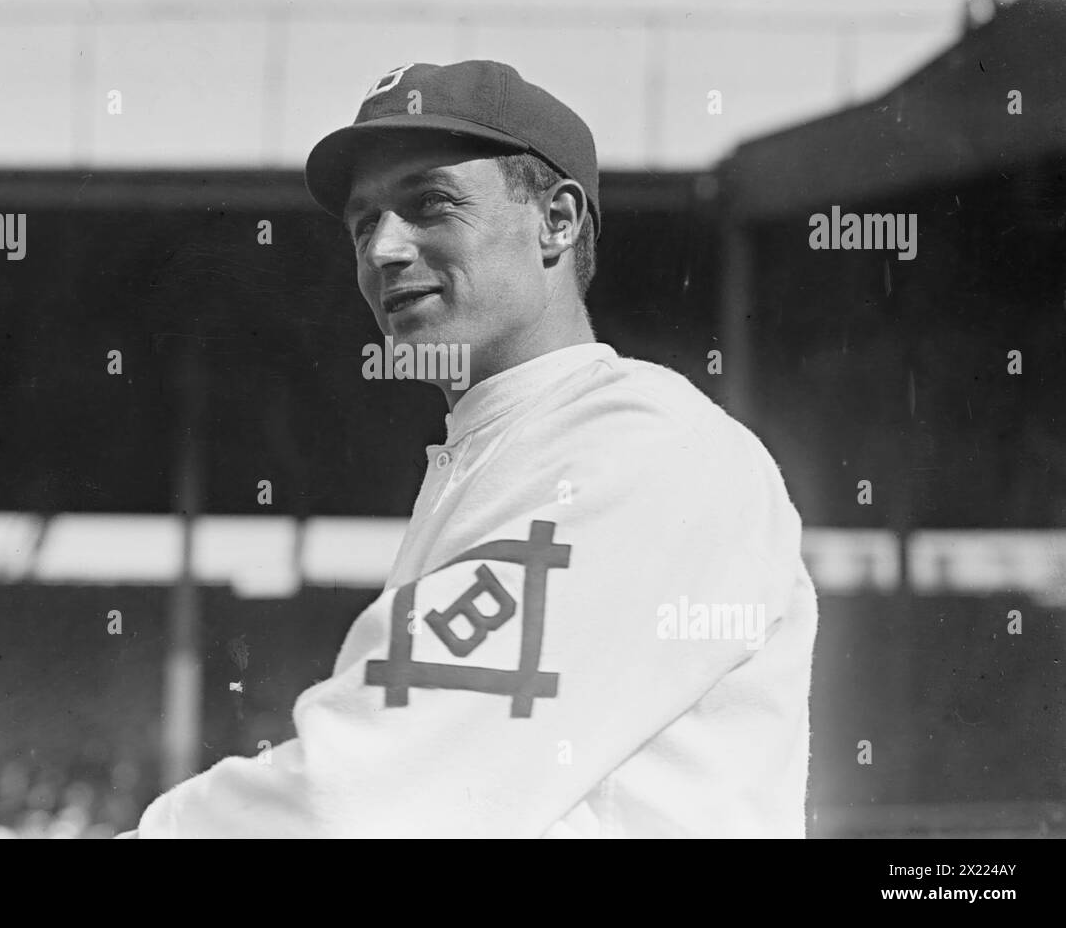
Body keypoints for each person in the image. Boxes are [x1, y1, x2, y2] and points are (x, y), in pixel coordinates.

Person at [126, 60, 818, 838]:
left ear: (557, 220)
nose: (384, 248)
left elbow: (364, 800)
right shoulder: (504, 445)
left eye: (429, 204)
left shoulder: (645, 449)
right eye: (364, 223)